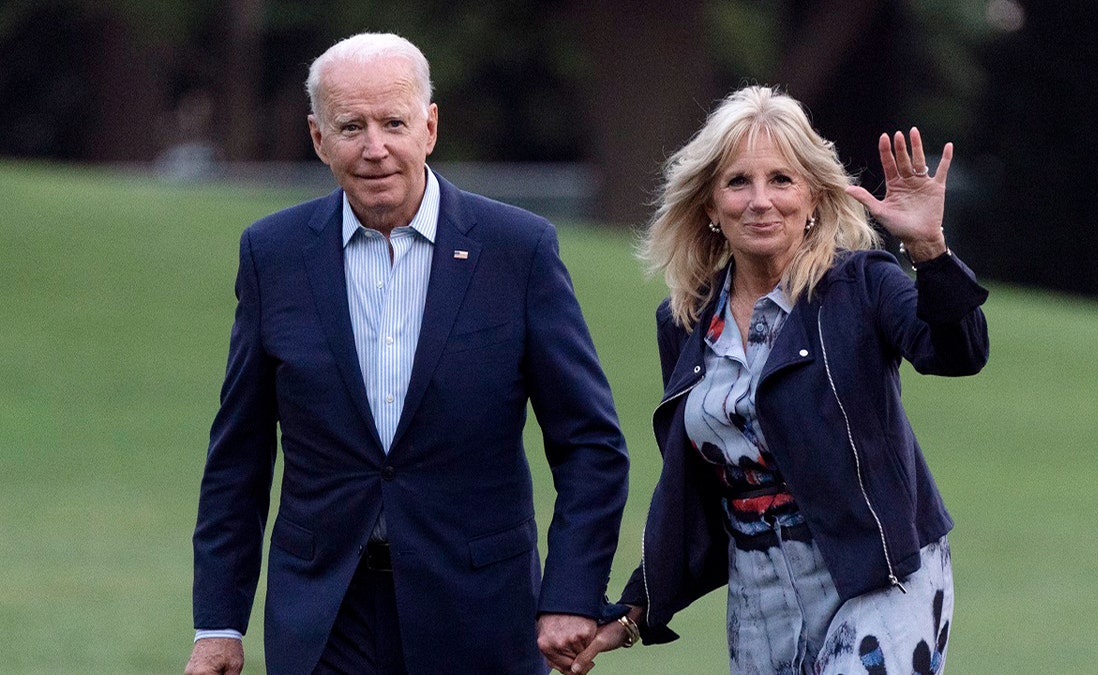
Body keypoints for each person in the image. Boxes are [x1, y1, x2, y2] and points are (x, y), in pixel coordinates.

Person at [185, 33, 629, 675]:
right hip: (324, 618)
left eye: (394, 123)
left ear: (429, 126)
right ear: (317, 139)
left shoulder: (517, 251)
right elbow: (238, 458)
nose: (375, 148)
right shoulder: (273, 255)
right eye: (350, 126)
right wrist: (218, 625)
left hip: (480, 613)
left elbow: (590, 446)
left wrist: (569, 594)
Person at [571, 85, 989, 674]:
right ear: (710, 206)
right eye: (738, 182)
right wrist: (635, 608)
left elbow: (959, 351)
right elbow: (696, 488)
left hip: (880, 575)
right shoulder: (685, 321)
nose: (760, 201)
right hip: (760, 595)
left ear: (815, 196)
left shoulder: (864, 285)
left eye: (782, 180)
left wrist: (928, 249)